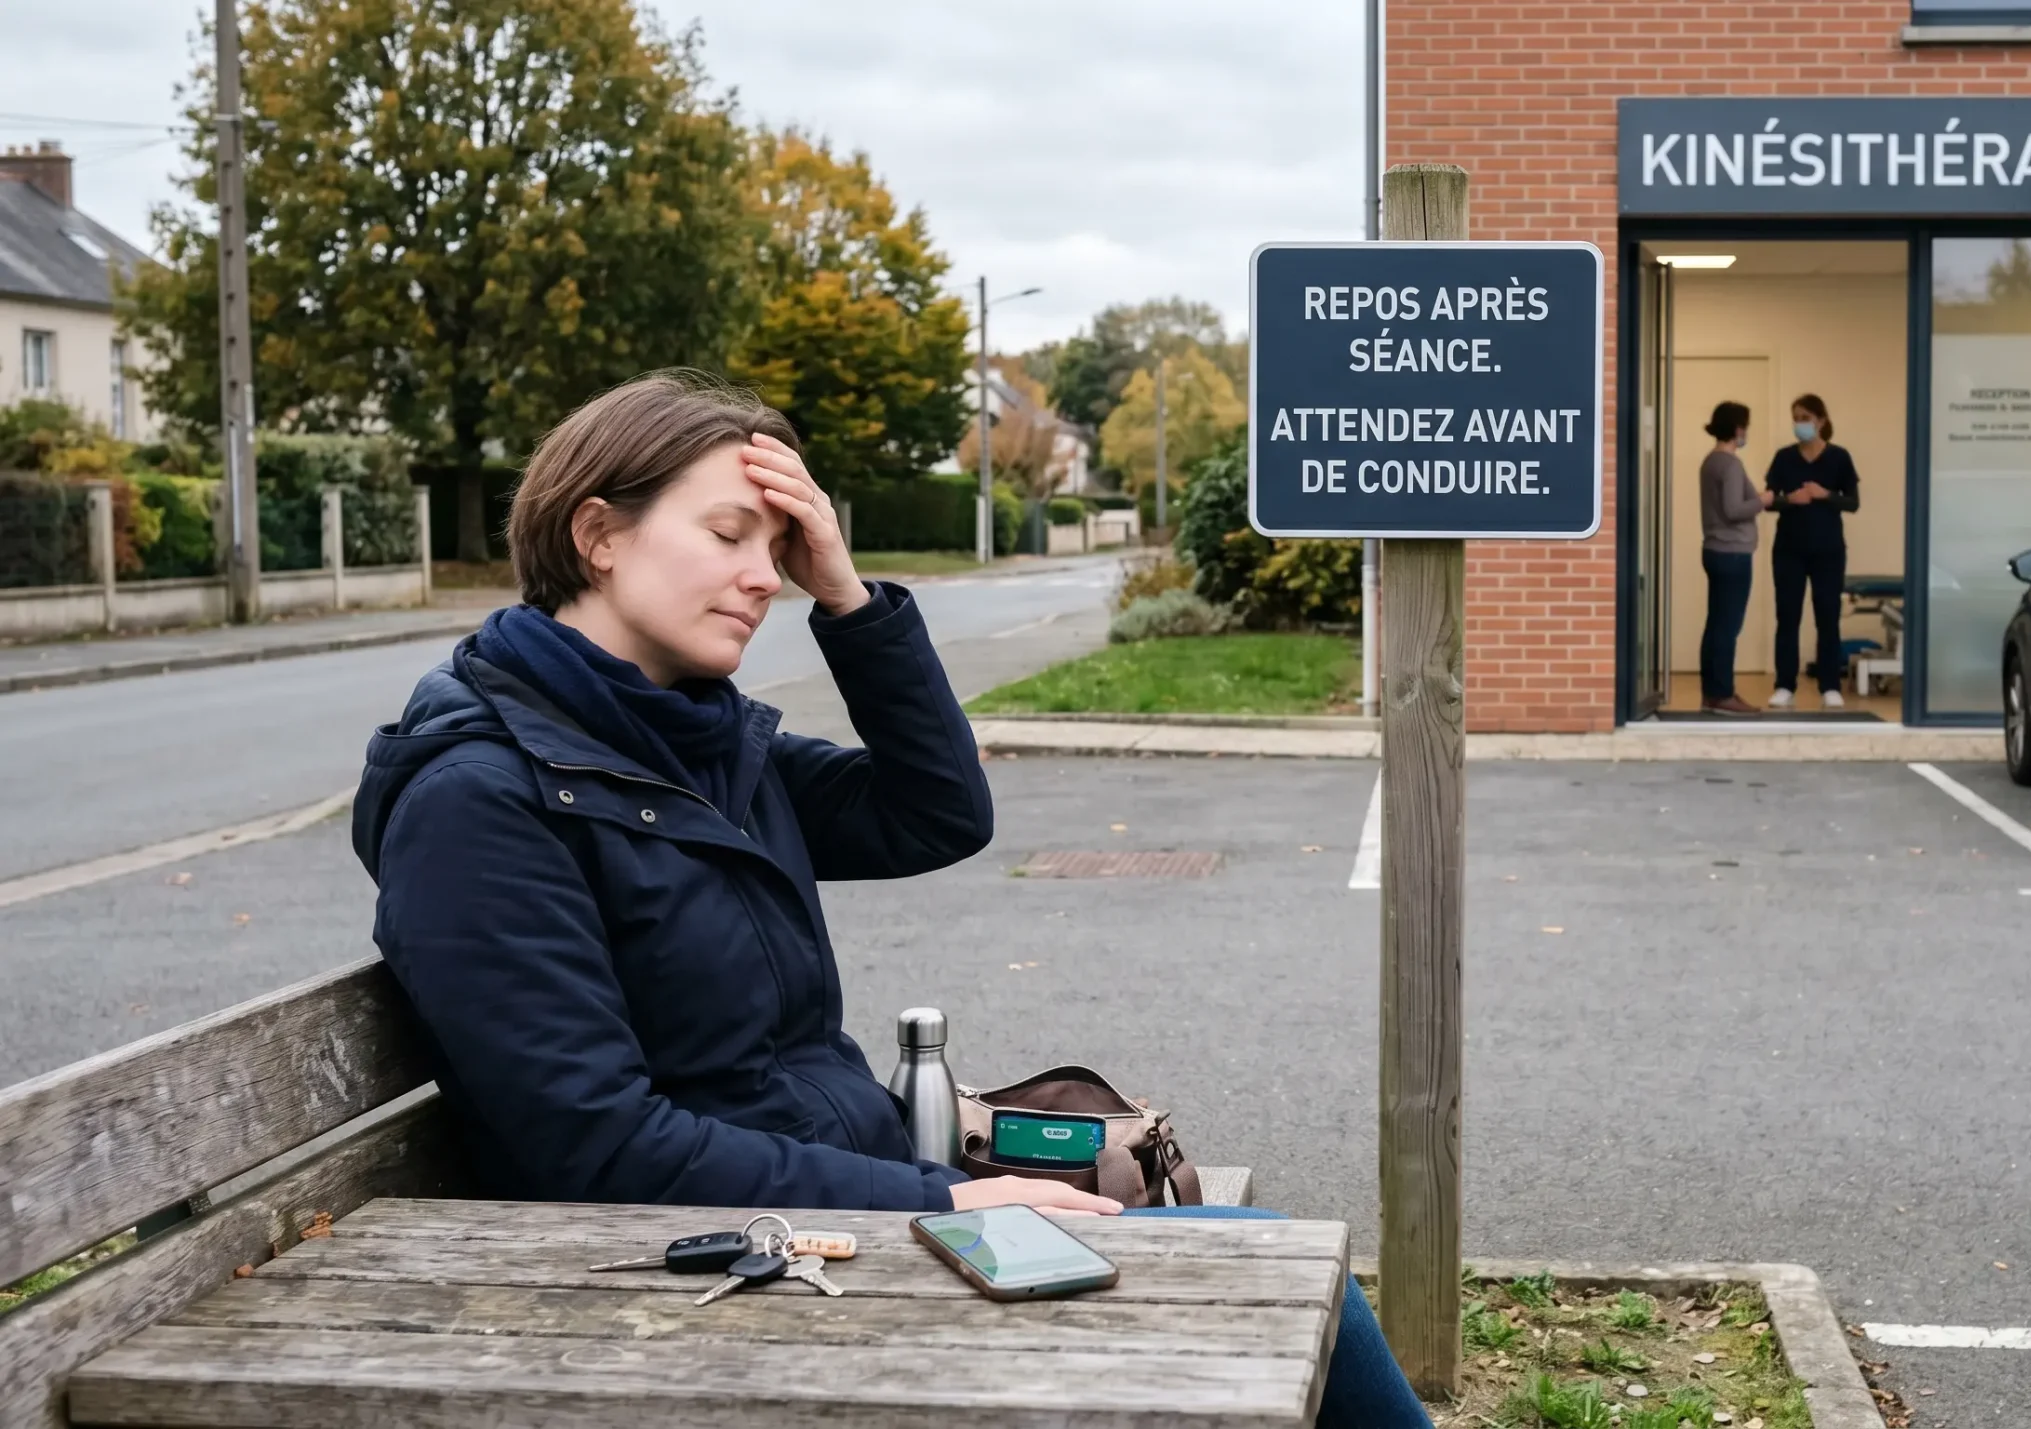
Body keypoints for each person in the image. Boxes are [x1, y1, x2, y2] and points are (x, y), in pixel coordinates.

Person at [351, 371, 1431, 1429]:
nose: (762, 576)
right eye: (729, 535)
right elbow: (596, 1145)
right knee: (1273, 1275)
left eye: (777, 547)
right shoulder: (481, 799)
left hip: (837, 1206)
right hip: (698, 1259)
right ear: (598, 534)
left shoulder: (702, 744)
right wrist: (943, 1203)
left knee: (1276, 1268)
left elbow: (935, 812)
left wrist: (849, 596)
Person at [1761, 393, 1861, 710]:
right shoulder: (1783, 458)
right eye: (1796, 418)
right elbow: (1768, 501)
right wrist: (1789, 500)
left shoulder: (1839, 458)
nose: (1799, 424)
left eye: (1805, 418)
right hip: (1789, 550)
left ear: (1820, 420)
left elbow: (1853, 503)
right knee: (1787, 617)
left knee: (1827, 618)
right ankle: (1784, 685)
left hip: (1828, 551)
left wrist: (1825, 494)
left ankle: (1829, 686)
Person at [1698, 400, 1774, 715]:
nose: (1746, 432)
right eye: (1745, 426)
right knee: (1728, 626)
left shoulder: (1710, 462)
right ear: (1737, 428)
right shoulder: (1729, 464)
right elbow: (1733, 510)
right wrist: (1763, 500)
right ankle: (1722, 694)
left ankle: (1713, 692)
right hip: (1732, 555)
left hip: (1715, 550)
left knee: (1716, 624)